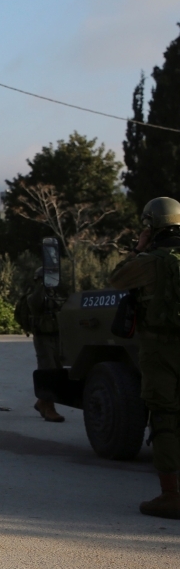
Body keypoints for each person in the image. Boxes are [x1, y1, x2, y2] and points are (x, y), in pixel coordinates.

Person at [110, 196, 180, 520]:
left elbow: (117, 279)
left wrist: (139, 247)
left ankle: (171, 496)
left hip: (161, 348)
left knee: (165, 415)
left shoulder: (150, 261)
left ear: (151, 226)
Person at [27, 267, 65, 422]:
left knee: (58, 371)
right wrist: (44, 286)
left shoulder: (55, 294)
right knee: (47, 371)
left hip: (57, 336)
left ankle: (42, 402)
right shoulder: (34, 295)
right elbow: (35, 304)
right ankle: (49, 408)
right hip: (43, 338)